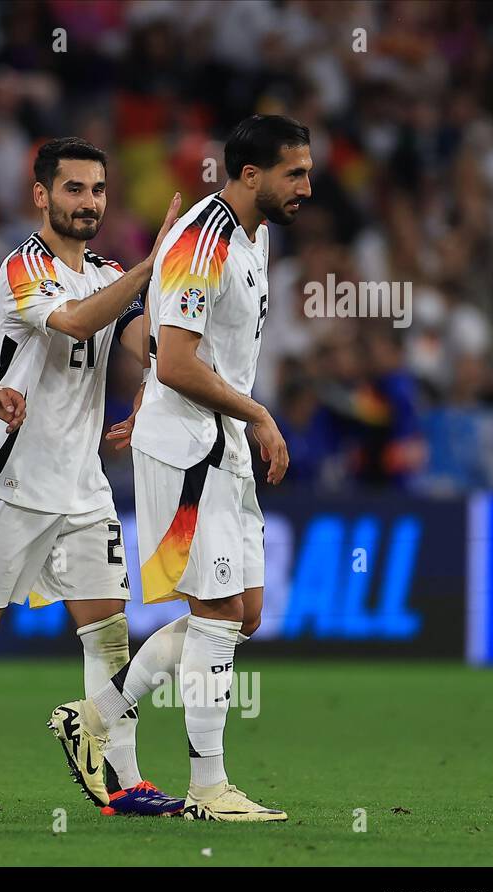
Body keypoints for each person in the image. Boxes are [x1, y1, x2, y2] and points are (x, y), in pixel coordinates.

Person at [61, 114, 312, 822]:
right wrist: (259, 413)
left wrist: (211, 410)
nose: (308, 186)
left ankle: (96, 717)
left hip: (218, 436)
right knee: (215, 611)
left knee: (246, 615)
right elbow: (175, 359)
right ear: (251, 174)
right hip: (189, 446)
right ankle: (208, 786)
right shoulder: (202, 239)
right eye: (295, 173)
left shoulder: (253, 237)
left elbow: (182, 345)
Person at [0, 135, 185, 815]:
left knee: (109, 627)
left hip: (82, 483)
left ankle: (121, 779)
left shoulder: (105, 270)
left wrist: (151, 390)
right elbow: (74, 324)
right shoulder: (22, 269)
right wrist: (148, 267)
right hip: (12, 477)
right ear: (42, 195)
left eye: (98, 190)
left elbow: (143, 343)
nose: (88, 203)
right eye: (74, 190)